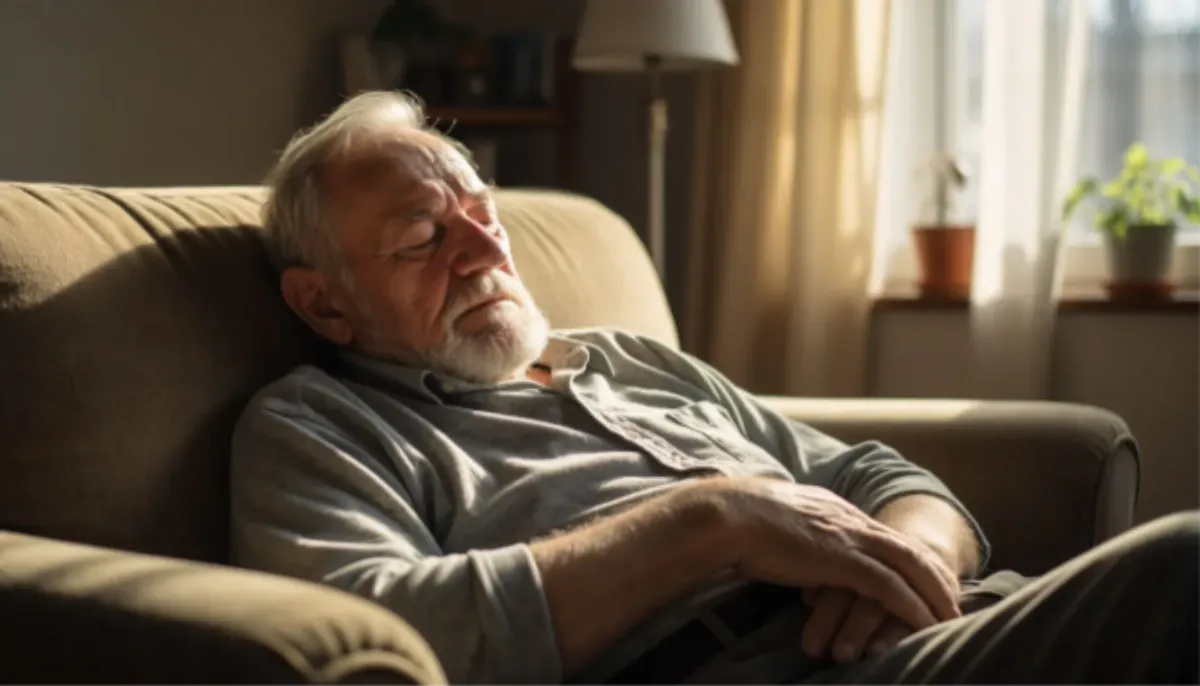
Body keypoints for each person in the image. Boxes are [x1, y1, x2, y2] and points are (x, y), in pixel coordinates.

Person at [231, 91, 1200, 686]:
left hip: (934, 624)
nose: (485, 250)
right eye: (422, 237)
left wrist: (904, 564)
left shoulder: (622, 358)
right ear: (324, 303)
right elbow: (376, 634)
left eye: (485, 215)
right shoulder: (318, 424)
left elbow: (877, 475)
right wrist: (711, 522)